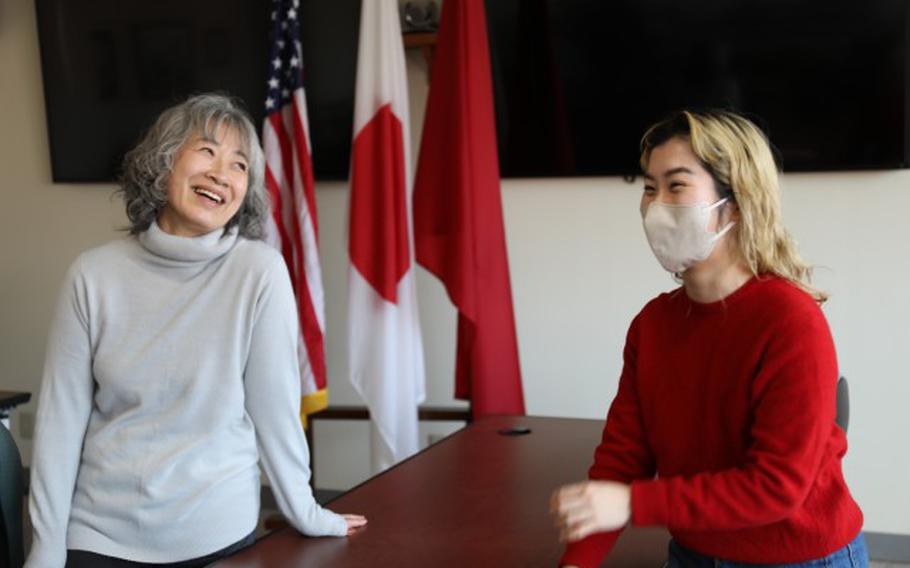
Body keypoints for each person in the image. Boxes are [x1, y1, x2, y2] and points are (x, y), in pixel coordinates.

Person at [26, 94, 366, 568]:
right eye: (206, 151)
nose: (221, 174)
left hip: (216, 532)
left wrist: (305, 511)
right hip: (100, 533)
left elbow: (276, 410)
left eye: (239, 164)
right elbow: (59, 424)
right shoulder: (92, 275)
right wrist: (45, 548)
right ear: (163, 163)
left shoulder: (259, 272)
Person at [551, 110, 867, 567]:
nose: (656, 205)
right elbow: (623, 460)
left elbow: (776, 486)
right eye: (648, 187)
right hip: (695, 552)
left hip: (797, 557)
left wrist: (632, 503)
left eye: (676, 185)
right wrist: (577, 563)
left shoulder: (790, 320)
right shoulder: (653, 324)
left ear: (735, 204)